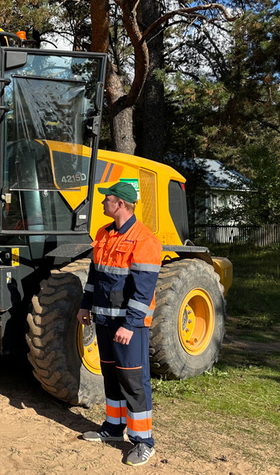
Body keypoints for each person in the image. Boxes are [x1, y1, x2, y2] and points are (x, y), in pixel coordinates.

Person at [76, 181, 161, 467]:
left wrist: (130, 324)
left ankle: (143, 441)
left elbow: (143, 290)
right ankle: (113, 428)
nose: (102, 204)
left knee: (133, 382)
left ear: (121, 204)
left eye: (107, 200)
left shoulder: (144, 239)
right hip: (103, 319)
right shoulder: (103, 233)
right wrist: (85, 306)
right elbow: (95, 275)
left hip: (128, 326)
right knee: (111, 376)